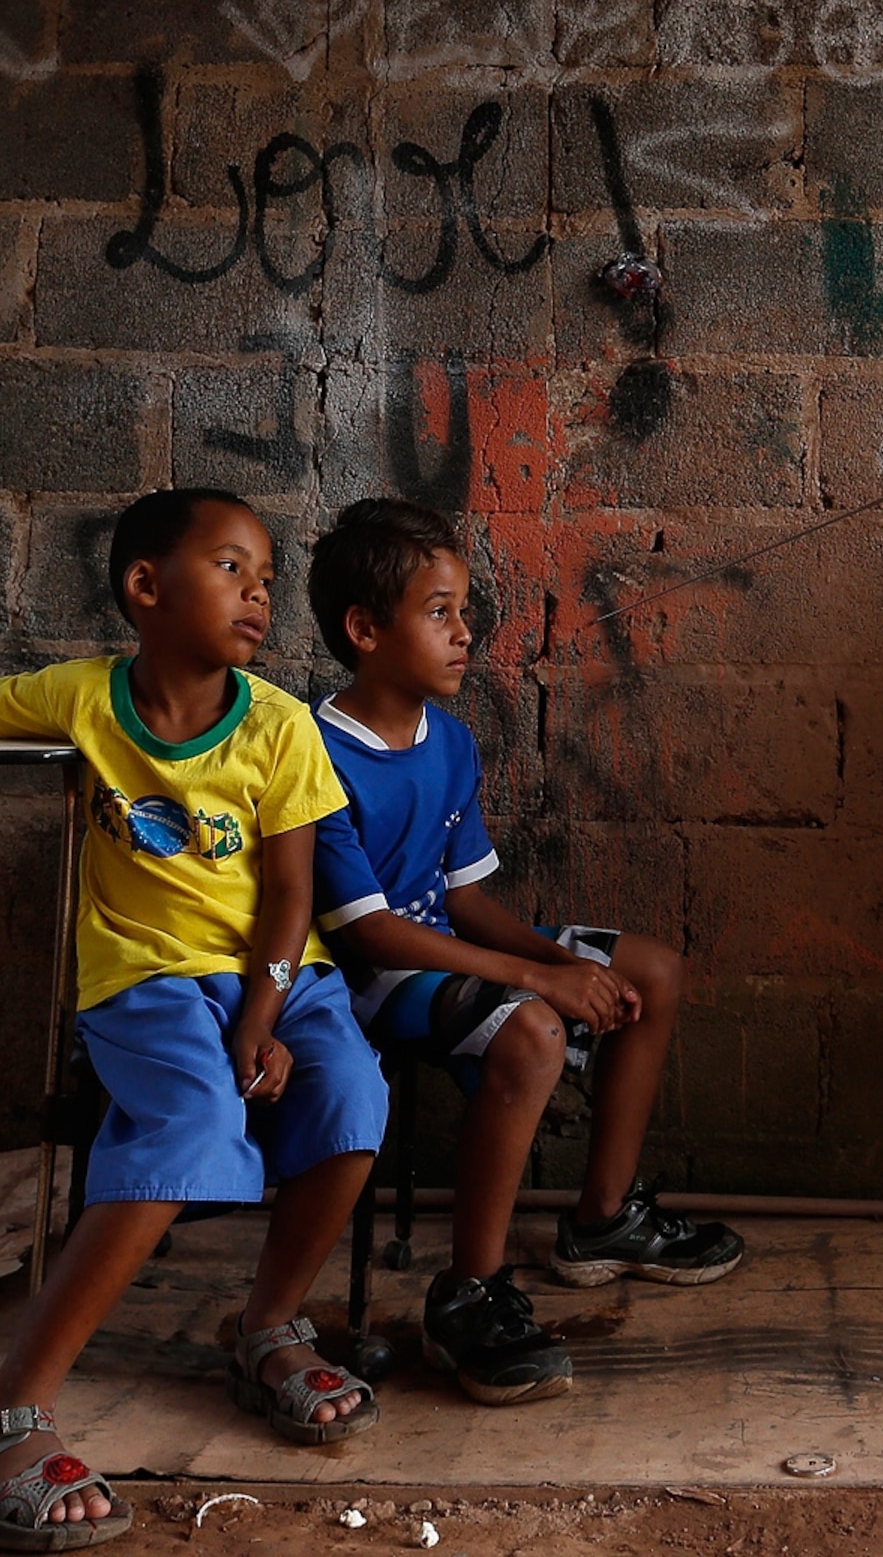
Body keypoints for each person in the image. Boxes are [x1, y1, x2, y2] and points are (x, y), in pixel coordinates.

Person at [0, 488, 385, 1550]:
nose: (258, 592)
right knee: (193, 1126)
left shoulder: (283, 726)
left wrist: (265, 1011)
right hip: (147, 982)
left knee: (354, 1101)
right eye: (230, 568)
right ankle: (1, 1418)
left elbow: (294, 898)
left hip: (278, 972)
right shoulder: (79, 698)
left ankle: (265, 1326)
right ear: (146, 589)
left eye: (264, 575)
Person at [304, 498, 742, 1407]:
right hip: (366, 979)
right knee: (535, 1031)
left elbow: (464, 899)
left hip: (442, 946)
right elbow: (370, 932)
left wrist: (570, 966)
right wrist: (543, 978)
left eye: (465, 610)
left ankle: (602, 1221)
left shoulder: (449, 740)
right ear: (365, 630)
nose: (467, 633)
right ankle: (468, 1291)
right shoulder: (315, 753)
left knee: (648, 970)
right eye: (440, 613)